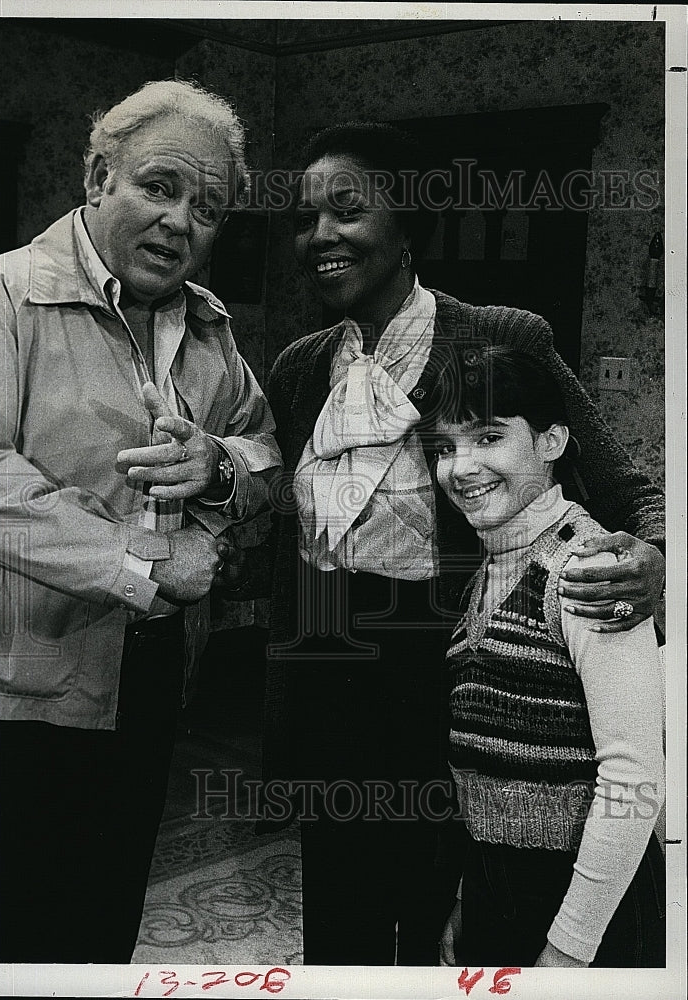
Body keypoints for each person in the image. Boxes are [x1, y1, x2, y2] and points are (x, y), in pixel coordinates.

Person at [260, 123, 665, 966]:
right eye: (304, 220)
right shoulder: (301, 367)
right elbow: (277, 523)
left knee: (446, 920)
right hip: (327, 676)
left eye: (347, 210)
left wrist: (653, 557)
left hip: (450, 677)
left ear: (406, 226)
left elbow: (629, 487)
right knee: (341, 926)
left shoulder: (499, 333)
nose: (321, 236)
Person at [0, 78, 281, 963]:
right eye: (158, 187)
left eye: (207, 208)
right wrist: (146, 561)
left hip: (151, 679)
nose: (179, 223)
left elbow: (262, 451)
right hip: (9, 689)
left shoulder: (212, 332)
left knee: (96, 935)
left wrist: (217, 466)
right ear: (98, 179)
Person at [432, 345, 665, 968]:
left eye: (489, 437)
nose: (462, 466)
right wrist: (472, 895)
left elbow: (633, 781)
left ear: (552, 441)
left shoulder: (589, 567)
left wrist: (568, 949)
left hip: (582, 905)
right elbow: (493, 766)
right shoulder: (490, 565)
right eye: (446, 447)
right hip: (500, 888)